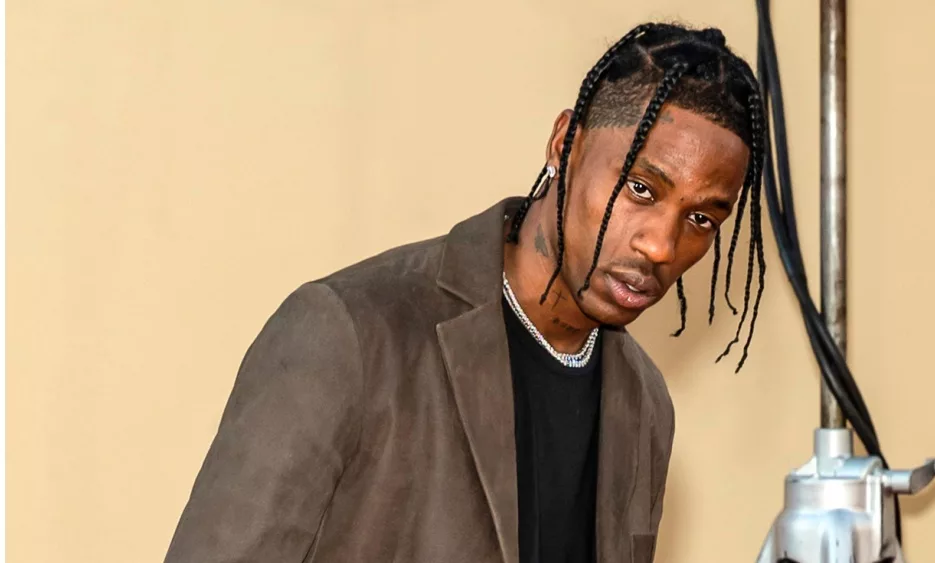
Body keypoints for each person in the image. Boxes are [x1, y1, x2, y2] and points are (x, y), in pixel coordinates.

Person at [164, 22, 767, 563]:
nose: (662, 245)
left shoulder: (643, 402)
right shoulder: (349, 332)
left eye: (701, 220)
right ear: (566, 143)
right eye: (640, 187)